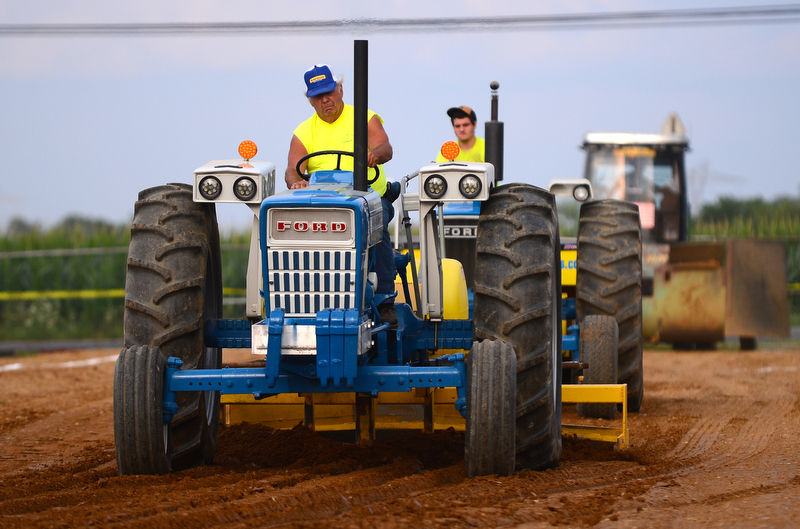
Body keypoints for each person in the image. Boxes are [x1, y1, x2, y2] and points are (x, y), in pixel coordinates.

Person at [285, 64, 398, 325]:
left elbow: (385, 147)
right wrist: (295, 182)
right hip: (323, 204)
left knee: (374, 222)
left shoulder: (364, 118)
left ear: (341, 90)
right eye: (317, 96)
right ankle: (295, 300)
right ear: (310, 100)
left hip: (367, 197)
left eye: (329, 92)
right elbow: (293, 169)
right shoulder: (303, 132)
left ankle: (384, 299)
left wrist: (374, 155)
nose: (325, 99)